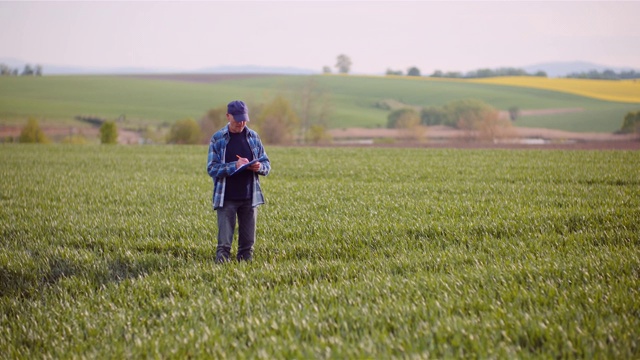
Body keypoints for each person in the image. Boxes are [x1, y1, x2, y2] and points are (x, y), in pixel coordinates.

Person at [206, 100, 271, 263]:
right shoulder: (218, 138)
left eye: (244, 119)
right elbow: (212, 168)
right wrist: (233, 166)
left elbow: (267, 164)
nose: (241, 123)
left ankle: (245, 275)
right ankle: (220, 276)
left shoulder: (254, 137)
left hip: (250, 197)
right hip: (226, 198)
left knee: (247, 246)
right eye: (237, 119)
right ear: (228, 117)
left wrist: (258, 167)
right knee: (224, 246)